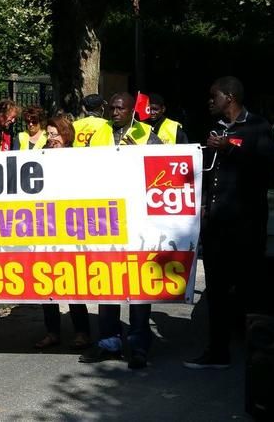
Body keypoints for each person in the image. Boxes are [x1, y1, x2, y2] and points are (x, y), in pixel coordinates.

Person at [184, 76, 274, 371]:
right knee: (217, 292)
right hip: (216, 225)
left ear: (230, 97)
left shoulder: (258, 127)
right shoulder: (213, 129)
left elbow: (268, 171)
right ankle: (217, 351)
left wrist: (231, 150)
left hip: (246, 226)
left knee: (251, 292)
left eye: (214, 96)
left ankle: (259, 355)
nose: (210, 101)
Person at [80, 92, 161, 369]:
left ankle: (139, 344)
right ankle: (109, 342)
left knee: (138, 285)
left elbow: (160, 170)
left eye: (120, 108)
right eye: (112, 108)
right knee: (108, 282)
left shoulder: (146, 134)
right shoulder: (99, 133)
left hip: (138, 219)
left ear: (131, 111)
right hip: (106, 219)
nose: (114, 112)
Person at [35, 113, 91, 350]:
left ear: (66, 134)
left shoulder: (79, 158)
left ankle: (82, 332)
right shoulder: (41, 158)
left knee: (73, 283)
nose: (51, 139)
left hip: (71, 228)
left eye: (55, 134)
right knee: (46, 282)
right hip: (46, 228)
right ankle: (52, 332)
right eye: (48, 135)